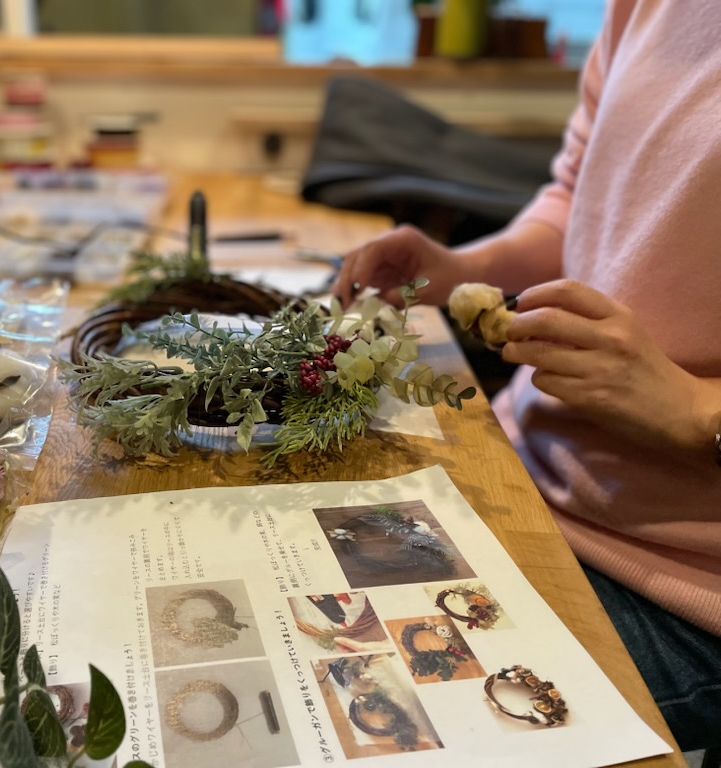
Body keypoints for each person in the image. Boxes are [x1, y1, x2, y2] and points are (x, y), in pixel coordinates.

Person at [333, 0, 721, 752]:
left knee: (370, 724)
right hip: (519, 470)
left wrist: (695, 411)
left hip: (673, 584)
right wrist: (467, 269)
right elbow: (579, 192)